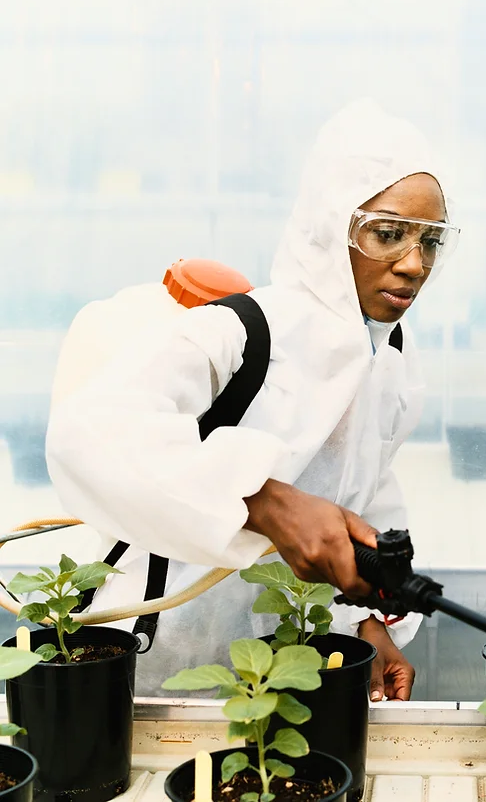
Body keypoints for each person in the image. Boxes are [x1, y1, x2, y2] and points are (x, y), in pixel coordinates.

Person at [45, 98, 460, 699]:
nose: (415, 265)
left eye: (432, 241)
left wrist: (366, 623)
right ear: (329, 228)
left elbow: (364, 495)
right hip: (153, 661)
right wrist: (262, 501)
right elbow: (89, 434)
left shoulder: (390, 359)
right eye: (388, 234)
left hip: (282, 669)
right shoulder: (242, 330)